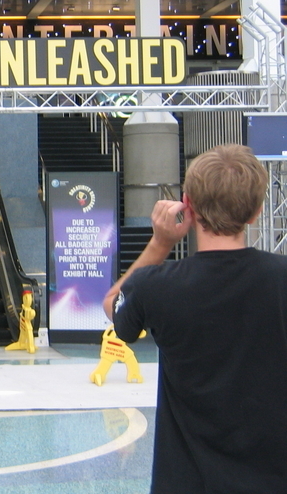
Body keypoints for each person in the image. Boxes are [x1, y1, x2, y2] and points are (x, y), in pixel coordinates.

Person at [102, 144, 287, 493]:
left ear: (188, 204)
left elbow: (113, 305)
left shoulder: (157, 286)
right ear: (257, 211)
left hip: (186, 482)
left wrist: (160, 243)